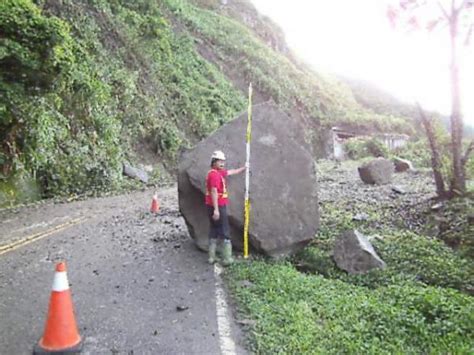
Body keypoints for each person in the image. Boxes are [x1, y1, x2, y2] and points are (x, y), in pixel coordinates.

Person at [206, 150, 246, 265]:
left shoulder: (218, 173)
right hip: (217, 206)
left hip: (212, 206)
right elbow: (213, 191)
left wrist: (243, 168)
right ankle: (227, 258)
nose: (222, 163)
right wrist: (216, 210)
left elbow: (230, 172)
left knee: (213, 230)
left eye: (223, 161)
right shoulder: (214, 175)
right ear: (214, 162)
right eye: (219, 161)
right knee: (224, 230)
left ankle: (211, 257)